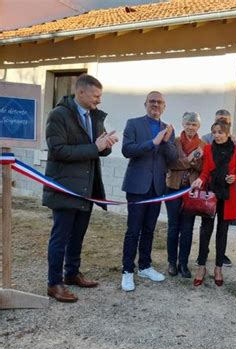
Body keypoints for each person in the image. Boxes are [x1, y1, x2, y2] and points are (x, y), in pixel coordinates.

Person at [43, 74, 118, 302]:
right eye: (96, 96)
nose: (99, 101)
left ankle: (72, 273)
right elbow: (58, 150)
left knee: (78, 236)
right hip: (65, 187)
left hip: (87, 188)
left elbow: (96, 149)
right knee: (61, 238)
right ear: (81, 92)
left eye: (100, 96)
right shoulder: (58, 115)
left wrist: (106, 145)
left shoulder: (93, 116)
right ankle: (54, 283)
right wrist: (94, 147)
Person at [121, 91, 177, 292]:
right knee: (133, 230)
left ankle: (145, 265)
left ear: (164, 107)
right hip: (137, 186)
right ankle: (127, 269)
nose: (156, 105)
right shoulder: (133, 123)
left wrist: (165, 142)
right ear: (145, 104)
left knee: (149, 230)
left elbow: (173, 158)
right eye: (152, 101)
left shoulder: (168, 129)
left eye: (159, 102)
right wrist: (151, 143)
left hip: (156, 187)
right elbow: (127, 150)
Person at [191, 120, 236, 287]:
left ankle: (218, 268)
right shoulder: (208, 148)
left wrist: (235, 177)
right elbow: (206, 171)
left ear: (227, 133)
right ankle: (201, 267)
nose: (217, 135)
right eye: (214, 132)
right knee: (205, 231)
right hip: (211, 196)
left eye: (220, 132)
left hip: (227, 197)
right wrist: (200, 180)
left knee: (222, 232)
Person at [165, 112, 205, 278]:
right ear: (183, 124)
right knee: (173, 227)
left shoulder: (203, 144)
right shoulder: (174, 142)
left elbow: (204, 168)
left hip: (191, 192)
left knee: (187, 229)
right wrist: (189, 160)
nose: (190, 127)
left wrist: (195, 162)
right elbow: (171, 163)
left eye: (194, 124)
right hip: (173, 189)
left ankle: (183, 263)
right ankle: (171, 263)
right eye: (188, 124)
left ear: (198, 127)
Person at [199, 109, 236, 267]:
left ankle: (220, 259)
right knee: (206, 226)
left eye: (225, 121)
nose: (218, 134)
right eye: (219, 121)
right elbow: (205, 167)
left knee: (223, 229)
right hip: (210, 190)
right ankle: (203, 255)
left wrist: (234, 177)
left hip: (226, 192)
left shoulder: (235, 142)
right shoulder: (206, 141)